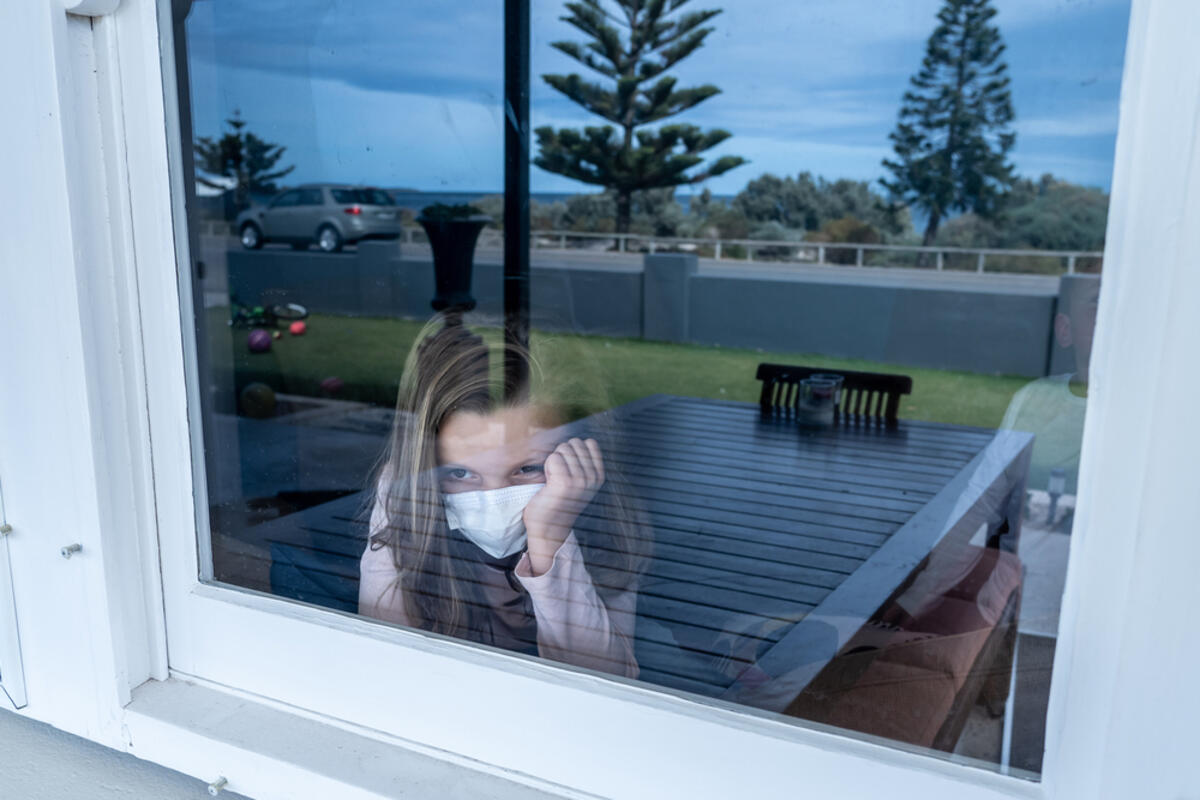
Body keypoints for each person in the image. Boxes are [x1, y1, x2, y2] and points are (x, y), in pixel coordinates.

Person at [358, 317, 647, 678]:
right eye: (459, 473)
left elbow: (605, 686)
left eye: (528, 468)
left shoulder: (600, 525)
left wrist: (550, 541)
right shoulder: (409, 500)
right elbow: (384, 670)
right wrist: (397, 493)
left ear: (581, 458)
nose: (493, 500)